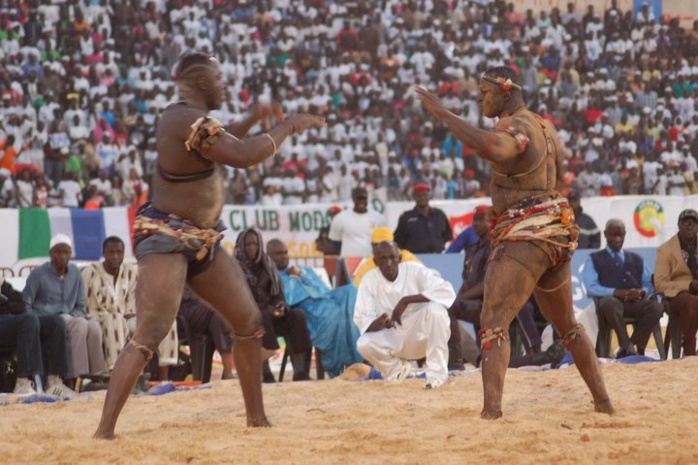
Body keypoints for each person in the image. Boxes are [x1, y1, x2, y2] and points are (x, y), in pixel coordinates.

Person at [93, 52, 325, 439]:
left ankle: (256, 419)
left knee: (249, 324)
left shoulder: (190, 121)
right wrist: (290, 125)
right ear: (201, 83)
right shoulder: (181, 119)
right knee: (150, 333)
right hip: (165, 236)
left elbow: (224, 135)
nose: (224, 86)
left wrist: (254, 118)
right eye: (219, 80)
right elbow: (244, 154)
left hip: (201, 238)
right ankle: (103, 432)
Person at [416, 67, 614, 418]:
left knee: (493, 322)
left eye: (485, 91)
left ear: (506, 93)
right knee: (567, 325)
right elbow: (556, 169)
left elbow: (495, 149)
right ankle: (603, 402)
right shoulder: (546, 126)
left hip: (528, 234)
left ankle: (491, 412)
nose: (480, 97)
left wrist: (445, 114)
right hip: (555, 230)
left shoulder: (516, 127)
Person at [447, 205, 548, 370]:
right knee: (449, 309)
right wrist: (457, 299)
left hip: (492, 303)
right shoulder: (471, 250)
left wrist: (461, 300)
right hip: (476, 302)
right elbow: (467, 282)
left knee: (454, 308)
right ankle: (473, 358)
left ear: (491, 222)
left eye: (481, 219)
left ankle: (456, 363)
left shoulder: (495, 246)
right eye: (475, 220)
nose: (476, 224)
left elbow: (488, 283)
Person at [354, 242, 455, 389]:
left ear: (399, 258)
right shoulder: (369, 280)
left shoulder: (414, 270)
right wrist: (379, 322)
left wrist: (406, 300)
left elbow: (446, 290)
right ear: (376, 262)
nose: (388, 263)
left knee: (436, 309)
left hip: (421, 334)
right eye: (383, 259)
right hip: (393, 335)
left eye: (392, 258)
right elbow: (361, 319)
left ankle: (437, 375)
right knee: (363, 343)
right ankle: (396, 371)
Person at [81, 237, 179, 378]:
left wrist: (132, 313)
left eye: (119, 253)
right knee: (114, 319)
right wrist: (116, 315)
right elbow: (87, 305)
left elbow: (135, 301)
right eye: (111, 252)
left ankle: (164, 378)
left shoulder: (132, 271)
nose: (115, 256)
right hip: (98, 320)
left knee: (165, 321)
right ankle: (117, 376)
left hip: (128, 318)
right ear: (104, 253)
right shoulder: (90, 272)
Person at [266, 239, 363, 378]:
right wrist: (290, 279)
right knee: (337, 315)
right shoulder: (270, 276)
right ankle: (345, 364)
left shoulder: (301, 269)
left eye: (286, 253)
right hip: (309, 310)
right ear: (268, 256)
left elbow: (323, 289)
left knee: (350, 291)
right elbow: (287, 299)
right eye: (279, 254)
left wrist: (302, 276)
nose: (284, 256)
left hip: (327, 299)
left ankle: (359, 357)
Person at [23, 234, 106, 382]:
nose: (62, 256)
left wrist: (73, 315)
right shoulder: (38, 274)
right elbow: (25, 304)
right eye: (58, 252)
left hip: (70, 317)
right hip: (47, 319)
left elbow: (81, 305)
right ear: (51, 254)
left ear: (70, 254)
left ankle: (98, 376)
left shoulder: (75, 273)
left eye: (66, 252)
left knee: (94, 327)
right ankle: (76, 377)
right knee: (80, 325)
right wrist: (35, 321)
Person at [234, 228, 313, 382]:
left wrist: (280, 305)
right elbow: (238, 300)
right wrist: (266, 309)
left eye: (255, 244)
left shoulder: (267, 264)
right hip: (248, 318)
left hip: (272, 316)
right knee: (261, 316)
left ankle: (300, 372)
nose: (252, 248)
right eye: (248, 244)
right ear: (241, 246)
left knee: (297, 315)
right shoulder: (235, 268)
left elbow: (277, 294)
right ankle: (266, 373)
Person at [582, 219, 663, 357]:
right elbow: (591, 287)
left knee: (656, 307)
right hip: (611, 305)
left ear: (625, 234)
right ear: (605, 234)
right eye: (613, 235)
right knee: (609, 303)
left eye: (621, 235)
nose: (618, 239)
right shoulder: (594, 258)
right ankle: (627, 346)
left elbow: (648, 283)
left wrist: (642, 291)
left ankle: (632, 346)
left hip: (635, 303)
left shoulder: (637, 259)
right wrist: (615, 292)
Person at [0, 277, 73, 397]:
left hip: (7, 319)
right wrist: (6, 303)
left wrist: (3, 293)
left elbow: (19, 304)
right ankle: (22, 384)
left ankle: (53, 383)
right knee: (28, 321)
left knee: (55, 322)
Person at [654, 209, 698, 356]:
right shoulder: (665, 250)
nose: (690, 225)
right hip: (676, 297)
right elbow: (659, 284)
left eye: (694, 222)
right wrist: (688, 285)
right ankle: (689, 352)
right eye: (686, 222)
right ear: (679, 225)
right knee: (691, 301)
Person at [177, 288, 236, 380]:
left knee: (218, 318)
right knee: (220, 312)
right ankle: (228, 372)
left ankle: (227, 372)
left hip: (208, 312)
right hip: (187, 309)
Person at [353, 227, 422, 287]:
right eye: (379, 245)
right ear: (372, 247)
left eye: (387, 244)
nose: (384, 249)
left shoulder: (407, 257)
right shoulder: (366, 267)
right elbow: (359, 293)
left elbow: (423, 279)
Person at [393, 183, 453, 254]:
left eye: (425, 195)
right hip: (415, 259)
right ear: (414, 197)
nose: (422, 198)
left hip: (438, 257)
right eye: (419, 195)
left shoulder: (439, 214)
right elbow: (398, 240)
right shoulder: (406, 218)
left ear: (429, 196)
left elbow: (447, 235)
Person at [328, 186, 386, 257]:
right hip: (349, 261)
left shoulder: (378, 218)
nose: (361, 201)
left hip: (371, 261)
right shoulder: (340, 218)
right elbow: (335, 242)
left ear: (367, 199)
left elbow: (383, 241)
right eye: (358, 199)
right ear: (353, 199)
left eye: (363, 198)